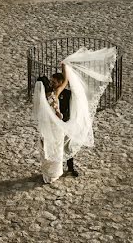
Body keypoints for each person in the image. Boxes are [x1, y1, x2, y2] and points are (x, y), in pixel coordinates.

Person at [32, 47, 117, 184]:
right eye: (51, 82)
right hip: (57, 125)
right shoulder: (55, 94)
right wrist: (65, 67)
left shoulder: (44, 97)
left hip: (52, 125)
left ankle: (51, 173)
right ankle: (55, 172)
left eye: (54, 81)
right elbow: (65, 81)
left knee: (56, 147)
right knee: (58, 148)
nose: (52, 83)